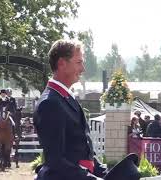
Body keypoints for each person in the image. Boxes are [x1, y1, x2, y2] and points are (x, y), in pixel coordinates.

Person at [33, 39, 140, 180]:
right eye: (78, 62)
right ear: (61, 64)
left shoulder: (65, 98)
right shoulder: (50, 103)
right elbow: (56, 161)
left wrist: (104, 171)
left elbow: (82, 154)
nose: (83, 69)